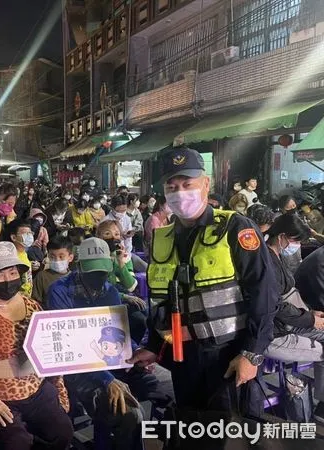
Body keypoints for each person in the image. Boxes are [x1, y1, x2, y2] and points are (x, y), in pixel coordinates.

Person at [129, 147, 278, 421]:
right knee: (193, 430)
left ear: (206, 184)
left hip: (229, 358)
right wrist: (153, 344)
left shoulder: (235, 228)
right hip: (183, 359)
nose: (180, 192)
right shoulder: (162, 238)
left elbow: (264, 293)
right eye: (172, 186)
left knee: (233, 434)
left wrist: (252, 353)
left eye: (188, 184)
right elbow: (161, 301)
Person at [0, 242, 73, 450]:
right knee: (17, 443)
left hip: (35, 389)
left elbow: (52, 352)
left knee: (63, 431)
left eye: (11, 273)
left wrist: (59, 389)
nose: (7, 280)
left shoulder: (33, 307)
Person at [46, 238, 153, 450]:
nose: (98, 278)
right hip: (80, 370)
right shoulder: (59, 291)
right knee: (130, 414)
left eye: (103, 272)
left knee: (169, 388)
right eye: (92, 272)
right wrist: (107, 380)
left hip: (113, 362)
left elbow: (116, 335)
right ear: (79, 267)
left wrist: (137, 351)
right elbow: (73, 343)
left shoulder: (111, 292)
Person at [259, 214, 324, 422]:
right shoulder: (267, 260)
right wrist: (310, 319)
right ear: (282, 236)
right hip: (276, 332)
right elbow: (276, 306)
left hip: (290, 321)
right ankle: (321, 405)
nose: (296, 246)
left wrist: (310, 316)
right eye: (295, 241)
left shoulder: (276, 255)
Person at [31, 236, 73, 306]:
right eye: (52, 257)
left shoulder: (75, 278)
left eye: (61, 256)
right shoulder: (42, 277)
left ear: (70, 258)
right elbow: (35, 303)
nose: (57, 260)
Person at [7, 219, 35, 296]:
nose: (29, 237)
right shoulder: (11, 257)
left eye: (30, 233)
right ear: (13, 237)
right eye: (25, 234)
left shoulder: (24, 253)